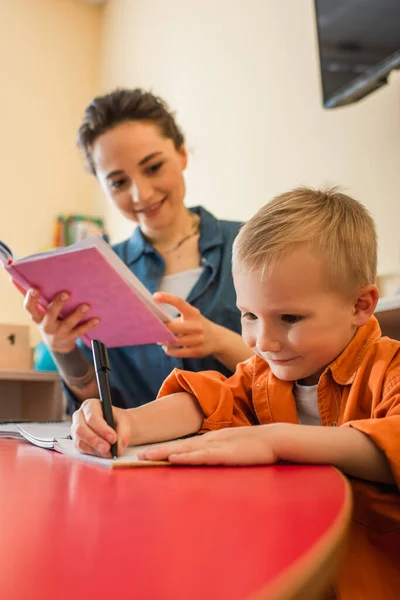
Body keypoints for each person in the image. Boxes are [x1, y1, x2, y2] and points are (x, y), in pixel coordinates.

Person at [72, 187, 400, 599]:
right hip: (288, 569)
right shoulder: (264, 374)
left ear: (360, 305)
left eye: (289, 318)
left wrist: (275, 440)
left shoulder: (389, 369)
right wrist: (129, 421)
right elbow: (203, 400)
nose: (264, 341)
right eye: (249, 315)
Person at [21, 89, 253, 413]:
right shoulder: (99, 270)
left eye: (154, 167)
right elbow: (97, 401)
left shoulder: (253, 245)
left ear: (182, 153)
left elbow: (302, 373)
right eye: (118, 182)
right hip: (140, 458)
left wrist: (220, 341)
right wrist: (61, 348)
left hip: (247, 451)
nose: (141, 194)